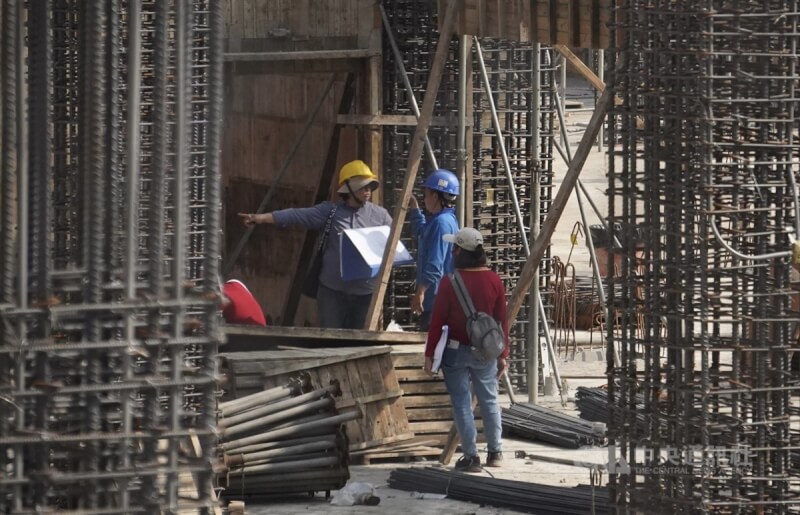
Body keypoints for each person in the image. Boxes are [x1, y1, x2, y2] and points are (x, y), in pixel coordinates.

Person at [238, 160, 392, 329]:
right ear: (348, 188)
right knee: (331, 340)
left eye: (369, 186)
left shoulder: (381, 216)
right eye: (363, 187)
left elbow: (393, 246)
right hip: (332, 292)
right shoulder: (330, 212)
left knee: (361, 343)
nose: (367, 191)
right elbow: (295, 215)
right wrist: (259, 218)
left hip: (365, 294)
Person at [423, 227, 509, 473]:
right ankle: (496, 452)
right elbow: (501, 320)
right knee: (489, 399)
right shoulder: (494, 280)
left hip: (455, 352)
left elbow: (437, 322)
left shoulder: (449, 283)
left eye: (454, 248)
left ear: (460, 251)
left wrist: (429, 355)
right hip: (486, 352)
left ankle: (471, 457)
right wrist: (504, 354)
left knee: (462, 403)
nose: (452, 251)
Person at [409, 169, 460, 331]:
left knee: (433, 350)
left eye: (426, 195)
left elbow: (435, 264)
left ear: (436, 196)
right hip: (441, 299)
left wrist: (421, 291)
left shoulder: (441, 223)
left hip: (435, 300)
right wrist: (414, 209)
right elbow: (422, 231)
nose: (424, 199)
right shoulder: (445, 220)